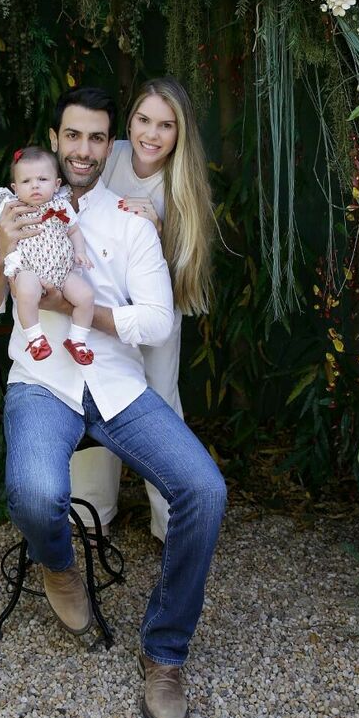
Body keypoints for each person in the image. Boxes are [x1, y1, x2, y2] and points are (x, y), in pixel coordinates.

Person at [0, 87, 226, 718]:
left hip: (116, 385)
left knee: (204, 490)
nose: (84, 150)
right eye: (73, 136)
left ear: (109, 145)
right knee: (35, 493)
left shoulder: (129, 221)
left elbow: (157, 321)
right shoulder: (15, 209)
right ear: (56, 140)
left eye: (96, 139)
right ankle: (59, 568)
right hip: (41, 383)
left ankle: (165, 653)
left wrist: (76, 309)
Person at [70, 77, 214, 540]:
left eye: (165, 125)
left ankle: (173, 527)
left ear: (180, 131)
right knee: (94, 393)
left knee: (159, 404)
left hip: (154, 314)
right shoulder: (108, 156)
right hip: (100, 308)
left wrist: (160, 228)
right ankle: (91, 513)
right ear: (128, 122)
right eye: (143, 120)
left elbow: (185, 267)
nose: (151, 135)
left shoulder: (182, 181)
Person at [0, 146, 95, 365]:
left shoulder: (62, 205)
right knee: (26, 292)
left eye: (42, 179)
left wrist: (80, 252)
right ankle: (35, 338)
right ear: (15, 188)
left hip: (62, 271)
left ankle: (77, 340)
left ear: (56, 184)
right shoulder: (11, 208)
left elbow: (74, 231)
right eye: (26, 181)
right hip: (28, 268)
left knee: (86, 296)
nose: (35, 185)